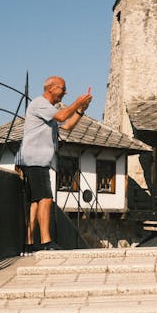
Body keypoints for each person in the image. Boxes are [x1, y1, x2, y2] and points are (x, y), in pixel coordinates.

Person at [16, 76, 92, 253]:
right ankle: (45, 242)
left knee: (35, 201)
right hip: (34, 159)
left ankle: (28, 243)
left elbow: (67, 126)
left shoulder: (47, 109)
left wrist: (80, 110)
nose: (65, 92)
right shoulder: (40, 104)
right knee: (46, 198)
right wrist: (77, 101)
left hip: (34, 160)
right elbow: (62, 115)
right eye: (63, 89)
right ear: (51, 88)